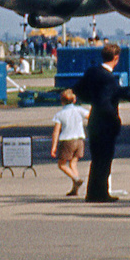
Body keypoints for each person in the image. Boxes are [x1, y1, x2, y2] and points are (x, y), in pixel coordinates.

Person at [74, 43, 123, 202]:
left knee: (96, 159)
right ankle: (100, 192)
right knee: (104, 159)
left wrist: (91, 100)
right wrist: (116, 121)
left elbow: (78, 89)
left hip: (94, 119)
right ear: (116, 58)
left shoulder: (92, 71)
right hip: (105, 122)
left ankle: (93, 192)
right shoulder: (109, 79)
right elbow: (106, 103)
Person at [50, 88, 88, 196]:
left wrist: (54, 146)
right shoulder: (80, 110)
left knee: (61, 164)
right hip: (80, 139)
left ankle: (76, 179)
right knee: (73, 163)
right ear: (74, 100)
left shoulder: (60, 114)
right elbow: (90, 116)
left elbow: (56, 131)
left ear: (62, 101)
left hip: (67, 140)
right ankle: (75, 189)